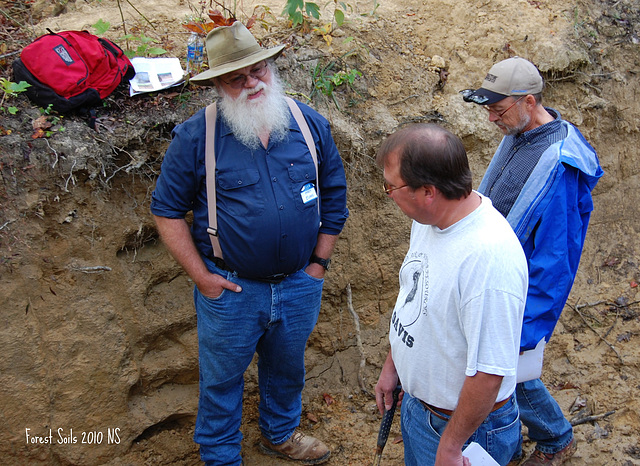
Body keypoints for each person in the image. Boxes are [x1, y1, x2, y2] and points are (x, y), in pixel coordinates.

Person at [150, 22, 349, 466]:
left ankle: (280, 433)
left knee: (287, 370)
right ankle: (221, 456)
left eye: (258, 70)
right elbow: (166, 211)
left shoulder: (307, 122)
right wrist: (203, 279)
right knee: (221, 380)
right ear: (218, 85)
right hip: (231, 290)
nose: (252, 83)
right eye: (236, 78)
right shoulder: (195, 138)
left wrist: (318, 264)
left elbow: (334, 195)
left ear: (270, 68)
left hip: (299, 283)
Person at [462, 56, 603, 465]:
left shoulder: (561, 163)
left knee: (507, 370)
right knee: (501, 371)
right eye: (488, 109)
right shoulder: (521, 134)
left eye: (497, 109)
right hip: (496, 274)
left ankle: (556, 438)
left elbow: (556, 259)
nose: (491, 119)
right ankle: (551, 434)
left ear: (528, 100)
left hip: (520, 290)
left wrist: (527, 329)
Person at [374, 123, 529, 466]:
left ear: (427, 191)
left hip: (464, 429)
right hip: (422, 411)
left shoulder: (489, 259)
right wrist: (393, 366)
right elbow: (416, 301)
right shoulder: (430, 222)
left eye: (391, 186)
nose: (388, 194)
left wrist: (450, 446)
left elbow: (489, 374)